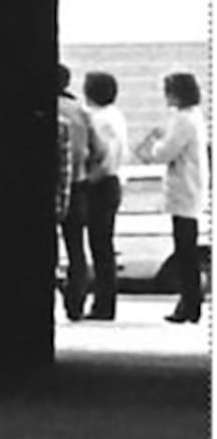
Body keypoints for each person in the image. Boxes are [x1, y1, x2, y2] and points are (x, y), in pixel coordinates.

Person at [136, 71, 208, 323]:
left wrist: (154, 143)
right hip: (190, 190)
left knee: (185, 250)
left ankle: (189, 303)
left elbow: (165, 153)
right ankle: (190, 302)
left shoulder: (183, 120)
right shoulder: (194, 117)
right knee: (186, 249)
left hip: (184, 192)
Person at [56, 64, 102, 321]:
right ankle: (76, 303)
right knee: (76, 248)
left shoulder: (42, 110)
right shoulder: (81, 112)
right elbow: (98, 150)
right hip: (79, 185)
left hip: (48, 188)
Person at [81, 71, 127, 320]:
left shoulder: (97, 119)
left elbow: (103, 156)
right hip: (113, 182)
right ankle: (105, 301)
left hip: (100, 184)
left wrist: (88, 180)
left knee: (99, 246)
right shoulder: (116, 116)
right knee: (104, 245)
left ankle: (103, 304)